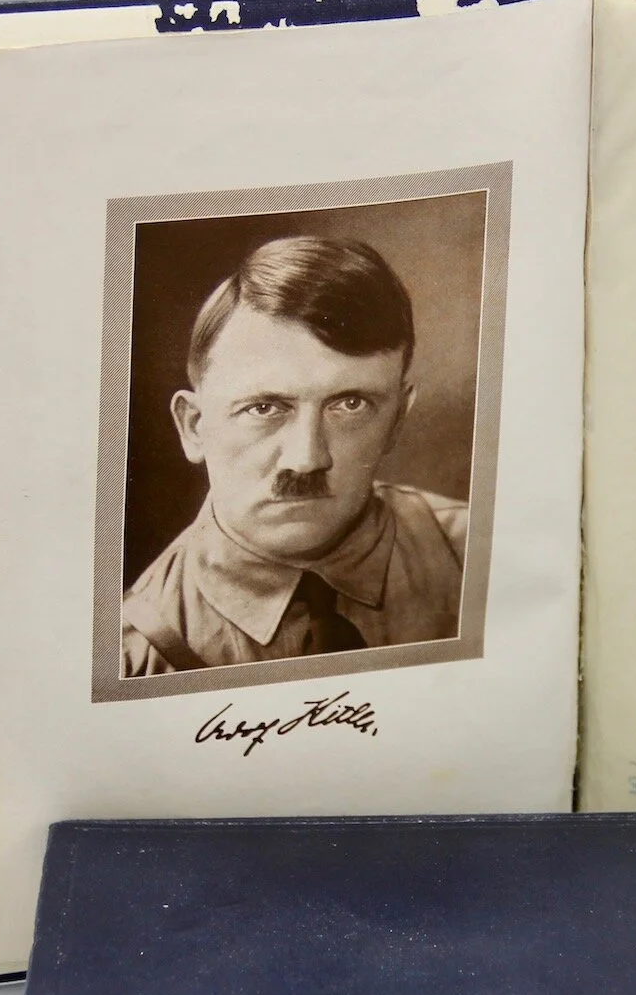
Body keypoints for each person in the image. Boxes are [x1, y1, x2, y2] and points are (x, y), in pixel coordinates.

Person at [121, 235, 466, 674]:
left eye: (350, 404)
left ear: (397, 418)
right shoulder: (132, 659)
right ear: (194, 427)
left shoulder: (480, 555)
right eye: (264, 408)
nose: (306, 459)